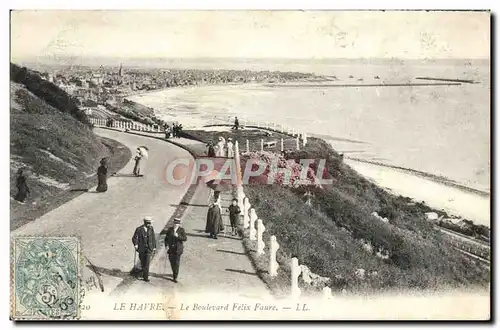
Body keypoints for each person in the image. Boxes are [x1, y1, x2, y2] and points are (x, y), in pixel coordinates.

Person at [132, 216, 156, 282]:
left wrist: (154, 247)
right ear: (145, 223)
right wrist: (136, 245)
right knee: (143, 262)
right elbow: (134, 238)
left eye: (150, 223)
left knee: (147, 263)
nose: (150, 225)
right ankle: (143, 271)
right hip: (141, 249)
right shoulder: (139, 229)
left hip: (149, 249)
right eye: (148, 223)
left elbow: (153, 238)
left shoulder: (151, 228)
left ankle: (146, 277)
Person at [164, 218, 187, 283]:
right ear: (173, 223)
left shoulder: (181, 230)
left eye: (177, 224)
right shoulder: (170, 229)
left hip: (178, 250)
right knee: (172, 262)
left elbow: (185, 238)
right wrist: (166, 245)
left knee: (176, 263)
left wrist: (178, 236)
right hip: (171, 249)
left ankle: (175, 277)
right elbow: (166, 238)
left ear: (179, 224)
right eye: (175, 223)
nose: (176, 225)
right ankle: (174, 272)